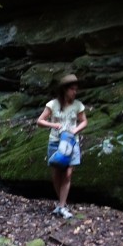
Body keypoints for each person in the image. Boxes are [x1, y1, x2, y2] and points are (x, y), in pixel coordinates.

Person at [37, 73, 88, 219]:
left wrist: (75, 130)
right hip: (55, 142)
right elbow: (40, 121)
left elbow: (84, 121)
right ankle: (62, 204)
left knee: (68, 173)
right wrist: (54, 124)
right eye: (72, 89)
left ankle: (61, 206)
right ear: (65, 90)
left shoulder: (78, 105)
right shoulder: (52, 104)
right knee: (56, 174)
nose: (74, 92)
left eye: (76, 89)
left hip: (72, 142)